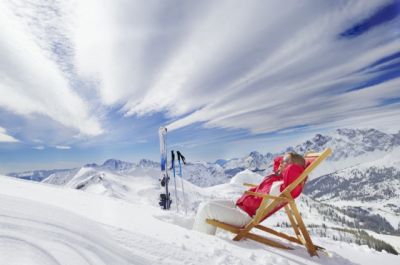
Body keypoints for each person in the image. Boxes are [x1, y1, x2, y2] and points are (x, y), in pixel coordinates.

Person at [192, 152, 306, 235]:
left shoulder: (285, 186)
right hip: (239, 205)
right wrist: (285, 162)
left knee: (207, 209)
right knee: (204, 204)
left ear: (293, 166)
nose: (281, 162)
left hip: (245, 216)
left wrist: (293, 167)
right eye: (283, 159)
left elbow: (293, 176)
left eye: (286, 161)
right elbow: (278, 162)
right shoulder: (276, 177)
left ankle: (201, 243)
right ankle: (201, 238)